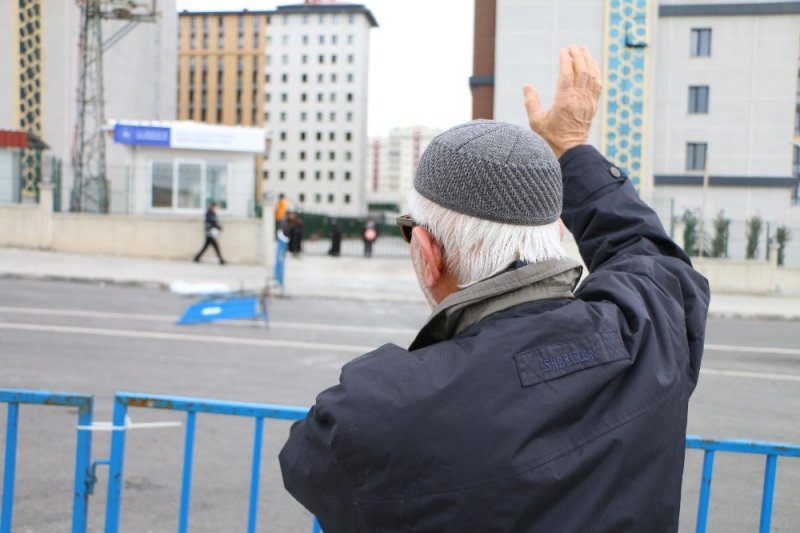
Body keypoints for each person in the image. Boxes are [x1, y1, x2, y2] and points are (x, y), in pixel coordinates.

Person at [279, 46, 709, 531]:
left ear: (427, 251)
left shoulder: (378, 411)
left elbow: (306, 462)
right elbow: (649, 251)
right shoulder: (648, 334)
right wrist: (571, 148)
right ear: (558, 234)